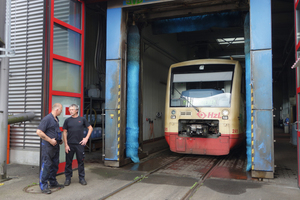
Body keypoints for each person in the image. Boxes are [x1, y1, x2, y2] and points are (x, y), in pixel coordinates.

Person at [36, 103, 64, 194]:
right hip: (48, 147)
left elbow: (53, 131)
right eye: (61, 110)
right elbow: (39, 132)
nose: (62, 111)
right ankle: (43, 186)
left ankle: (52, 182)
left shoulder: (56, 119)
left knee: (54, 165)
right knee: (47, 165)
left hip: (55, 147)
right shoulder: (47, 119)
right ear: (57, 110)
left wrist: (59, 140)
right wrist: (50, 140)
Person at [63, 104, 93, 186]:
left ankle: (82, 178)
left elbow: (90, 128)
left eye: (72, 109)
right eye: (70, 109)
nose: (71, 111)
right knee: (68, 162)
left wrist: (86, 138)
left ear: (77, 110)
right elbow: (64, 132)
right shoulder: (67, 120)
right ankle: (68, 178)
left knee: (81, 162)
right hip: (70, 145)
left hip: (79, 144)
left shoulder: (82, 119)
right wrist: (66, 145)